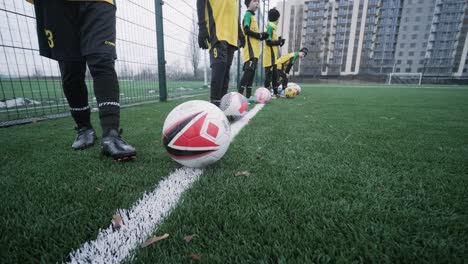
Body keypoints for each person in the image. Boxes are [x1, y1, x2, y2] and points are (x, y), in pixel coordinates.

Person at [27, 0, 136, 161]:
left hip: (100, 2)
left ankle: (111, 134)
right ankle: (84, 128)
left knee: (102, 60)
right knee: (70, 68)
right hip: (54, 4)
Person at [197, 0, 245, 107]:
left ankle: (222, 105)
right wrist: (202, 26)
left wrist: (240, 33)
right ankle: (214, 104)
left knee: (226, 71)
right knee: (220, 66)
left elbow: (233, 12)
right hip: (217, 29)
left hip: (231, 35)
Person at [238, 0, 269, 102]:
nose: (257, 4)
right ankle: (238, 96)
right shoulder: (247, 15)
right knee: (248, 72)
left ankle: (247, 96)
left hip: (255, 52)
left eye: (258, 2)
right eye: (255, 1)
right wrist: (259, 35)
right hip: (250, 51)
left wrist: (262, 36)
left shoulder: (253, 16)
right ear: (248, 2)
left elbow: (254, 34)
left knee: (251, 74)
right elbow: (246, 31)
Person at [263, 8, 285, 98]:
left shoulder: (273, 29)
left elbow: (273, 42)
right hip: (269, 58)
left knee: (274, 76)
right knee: (269, 77)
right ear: (277, 18)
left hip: (273, 58)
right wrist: (278, 42)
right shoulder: (269, 28)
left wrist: (279, 42)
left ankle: (275, 93)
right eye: (279, 18)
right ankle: (265, 93)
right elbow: (268, 42)